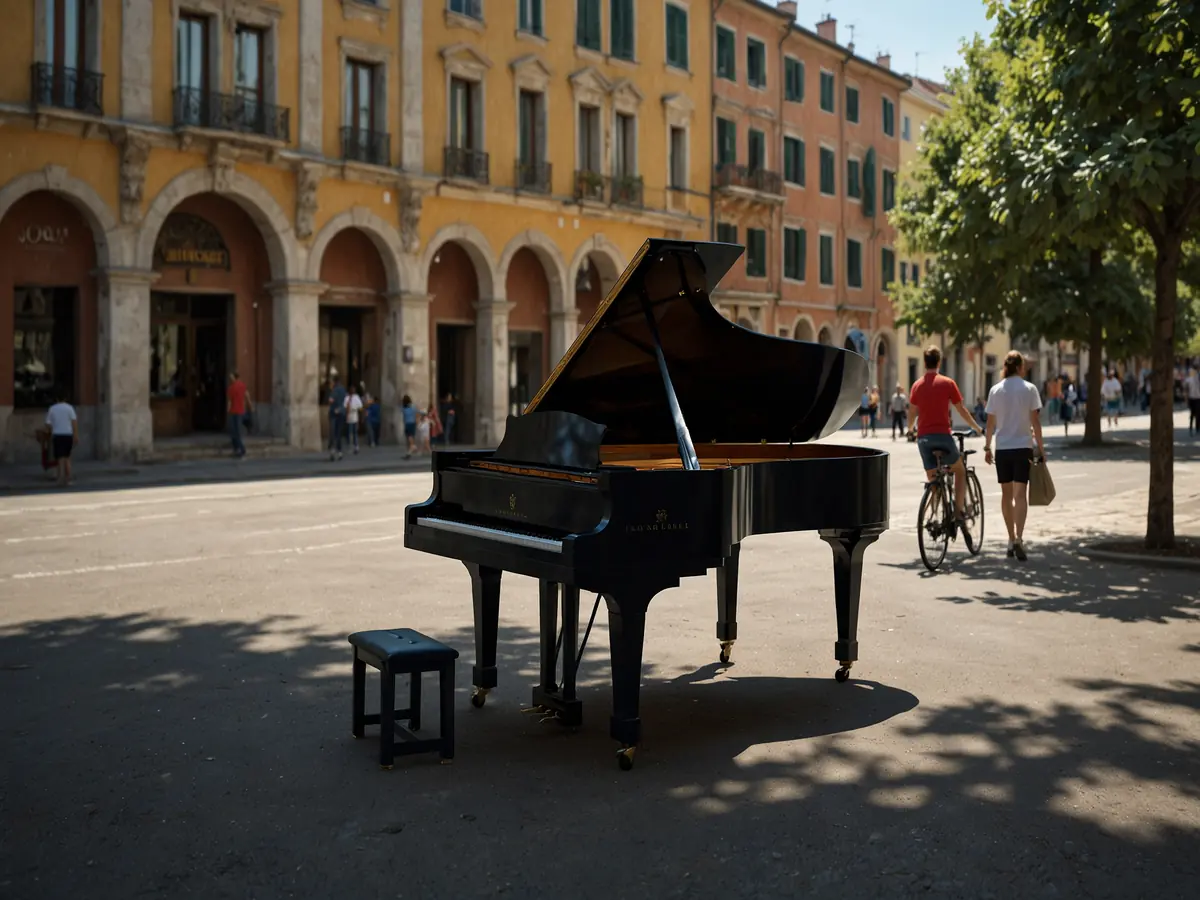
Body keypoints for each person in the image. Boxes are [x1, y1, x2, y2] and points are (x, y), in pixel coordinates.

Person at [908, 345, 983, 528]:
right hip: (943, 436)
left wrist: (910, 429)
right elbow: (961, 410)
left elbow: (912, 412)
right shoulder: (948, 383)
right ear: (939, 362)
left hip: (923, 439)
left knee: (933, 479)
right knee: (960, 470)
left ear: (925, 363)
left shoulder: (917, 385)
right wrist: (976, 427)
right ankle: (958, 511)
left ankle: (932, 515)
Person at [984, 351, 1045, 561]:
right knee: (1020, 495)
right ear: (1020, 367)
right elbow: (1035, 423)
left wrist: (986, 447)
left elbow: (990, 423)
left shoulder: (995, 390)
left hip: (1003, 448)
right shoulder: (1029, 389)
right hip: (1023, 447)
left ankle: (1010, 538)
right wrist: (1042, 450)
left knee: (1006, 496)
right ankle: (1019, 538)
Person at [45, 392, 78, 487]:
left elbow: (48, 423)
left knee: (60, 458)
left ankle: (60, 478)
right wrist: (76, 435)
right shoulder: (69, 408)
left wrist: (49, 431)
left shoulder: (52, 408)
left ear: (56, 399)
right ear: (65, 399)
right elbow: (74, 422)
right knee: (67, 457)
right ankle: (68, 478)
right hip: (68, 435)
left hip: (57, 435)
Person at [227, 371, 249, 459]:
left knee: (235, 431)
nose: (230, 379)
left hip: (234, 411)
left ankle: (241, 449)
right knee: (236, 430)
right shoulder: (242, 386)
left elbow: (229, 401)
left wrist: (228, 410)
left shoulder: (231, 388)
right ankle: (237, 448)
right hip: (240, 411)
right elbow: (247, 396)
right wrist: (249, 406)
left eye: (231, 377)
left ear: (235, 377)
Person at [328, 376, 347, 461]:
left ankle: (332, 451)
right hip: (342, 412)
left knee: (333, 433)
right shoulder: (343, 390)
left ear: (334, 382)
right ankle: (340, 452)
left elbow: (331, 400)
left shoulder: (335, 390)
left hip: (334, 413)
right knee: (339, 433)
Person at [345, 384, 364, 454]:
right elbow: (345, 407)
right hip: (349, 417)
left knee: (355, 432)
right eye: (351, 390)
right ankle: (350, 446)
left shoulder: (356, 398)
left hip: (355, 417)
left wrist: (362, 415)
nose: (352, 391)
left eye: (353, 390)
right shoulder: (347, 398)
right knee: (349, 433)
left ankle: (356, 446)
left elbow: (360, 407)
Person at [1185, 366, 1200, 436]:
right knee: (1192, 414)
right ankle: (1191, 428)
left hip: (1198, 398)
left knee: (1198, 414)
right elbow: (1186, 390)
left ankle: (1197, 428)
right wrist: (1186, 399)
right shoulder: (1189, 380)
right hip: (1192, 398)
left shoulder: (1198, 378)